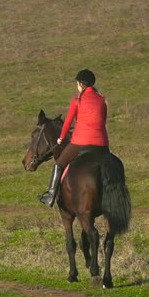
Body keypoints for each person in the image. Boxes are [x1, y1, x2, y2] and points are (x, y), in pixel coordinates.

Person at [38, 69, 110, 207]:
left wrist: (61, 137)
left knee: (58, 164)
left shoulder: (78, 99)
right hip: (102, 143)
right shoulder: (102, 99)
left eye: (77, 83)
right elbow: (103, 121)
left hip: (80, 142)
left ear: (81, 84)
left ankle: (50, 196)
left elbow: (68, 122)